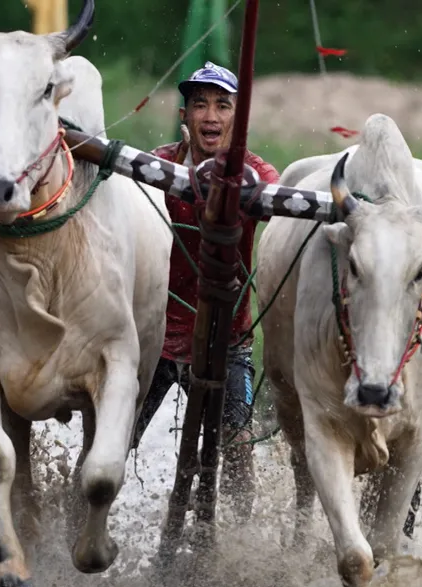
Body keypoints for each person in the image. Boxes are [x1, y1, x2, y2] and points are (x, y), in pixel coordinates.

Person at [129, 61, 281, 517]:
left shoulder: (256, 173)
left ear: (237, 119)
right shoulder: (158, 164)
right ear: (184, 115)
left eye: (221, 105)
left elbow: (281, 205)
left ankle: (237, 549)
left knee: (237, 454)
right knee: (113, 445)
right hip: (156, 336)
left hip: (226, 338)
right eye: (200, 105)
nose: (210, 116)